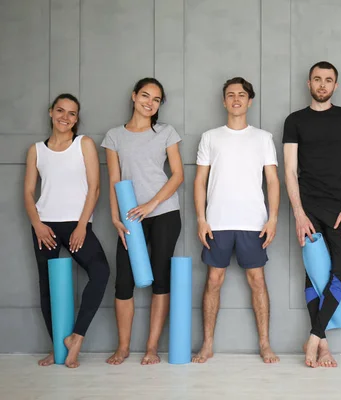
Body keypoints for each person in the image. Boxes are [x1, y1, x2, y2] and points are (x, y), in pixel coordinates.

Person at [193, 77, 280, 364]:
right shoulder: (210, 137)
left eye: (241, 95)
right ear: (224, 101)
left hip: (253, 222)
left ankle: (265, 345)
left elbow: (272, 181)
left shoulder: (263, 137)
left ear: (249, 100)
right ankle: (207, 345)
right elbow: (200, 181)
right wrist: (201, 219)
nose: (236, 99)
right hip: (216, 222)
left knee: (257, 281)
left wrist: (273, 218)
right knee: (213, 281)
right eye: (230, 95)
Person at [283, 61, 341, 368]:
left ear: (335, 85)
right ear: (309, 83)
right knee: (315, 273)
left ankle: (314, 336)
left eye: (328, 80)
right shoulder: (295, 121)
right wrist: (299, 214)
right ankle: (324, 346)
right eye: (317, 79)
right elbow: (289, 171)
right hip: (308, 207)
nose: (322, 84)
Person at [24, 93, 110, 368]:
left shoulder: (83, 144)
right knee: (47, 288)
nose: (65, 117)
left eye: (72, 113)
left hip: (77, 223)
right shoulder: (36, 150)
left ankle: (76, 337)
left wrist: (83, 225)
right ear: (51, 112)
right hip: (44, 225)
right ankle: (57, 349)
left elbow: (94, 188)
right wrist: (37, 224)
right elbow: (28, 192)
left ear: (77, 118)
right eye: (60, 111)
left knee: (100, 273)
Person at [103, 78, 184, 365]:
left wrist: (151, 204)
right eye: (145, 96)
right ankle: (123, 347)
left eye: (157, 99)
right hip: (129, 216)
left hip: (163, 213)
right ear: (134, 96)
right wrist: (115, 217)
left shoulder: (166, 132)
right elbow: (114, 179)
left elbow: (177, 175)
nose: (150, 102)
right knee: (123, 282)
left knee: (160, 280)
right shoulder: (114, 136)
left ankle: (151, 348)